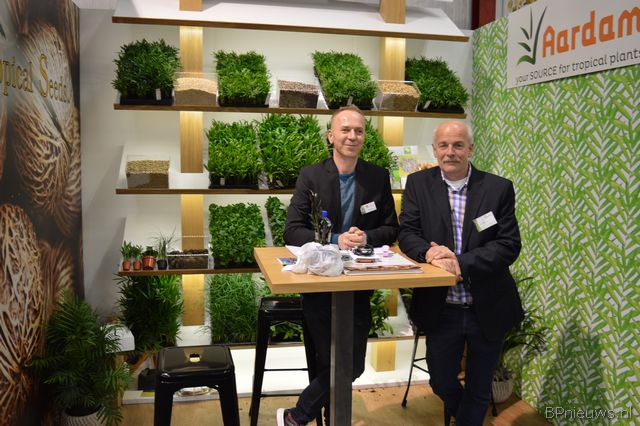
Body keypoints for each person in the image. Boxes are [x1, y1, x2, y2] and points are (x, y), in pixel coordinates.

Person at [277, 105, 398, 426]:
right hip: (319, 284)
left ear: (365, 136)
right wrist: (335, 240)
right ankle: (315, 418)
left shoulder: (377, 177)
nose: (352, 136)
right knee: (328, 361)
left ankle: (296, 415)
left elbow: (391, 229)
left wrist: (365, 236)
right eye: (345, 130)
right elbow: (292, 230)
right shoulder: (311, 175)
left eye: (358, 130)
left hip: (358, 283)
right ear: (331, 135)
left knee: (352, 365)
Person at [398, 120, 523, 425]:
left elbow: (508, 245)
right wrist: (429, 253)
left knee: (480, 389)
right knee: (440, 381)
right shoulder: (418, 184)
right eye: (443, 145)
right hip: (441, 307)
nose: (450, 152)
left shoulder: (497, 188)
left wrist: (460, 262)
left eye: (458, 145)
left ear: (470, 149)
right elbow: (408, 233)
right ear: (434, 149)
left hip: (487, 306)